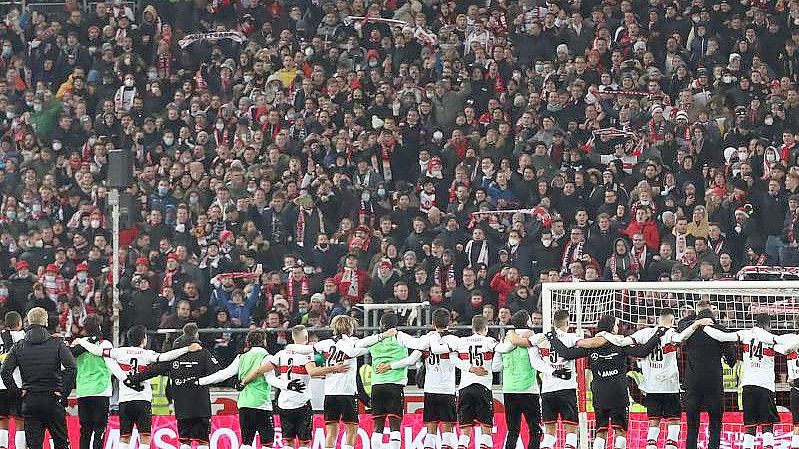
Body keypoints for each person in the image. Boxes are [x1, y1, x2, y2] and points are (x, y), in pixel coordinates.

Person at [547, 314, 665, 449]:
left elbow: (566, 354)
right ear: (612, 327)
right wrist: (658, 334)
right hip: (618, 392)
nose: (617, 327)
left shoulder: (591, 345)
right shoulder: (620, 344)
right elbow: (643, 352)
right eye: (616, 325)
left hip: (599, 393)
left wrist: (552, 338)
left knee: (601, 431)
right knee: (620, 431)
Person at [75, 325, 201, 449]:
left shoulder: (119, 352)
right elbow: (166, 356)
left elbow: (98, 351)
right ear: (144, 339)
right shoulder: (147, 354)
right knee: (144, 437)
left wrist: (81, 341)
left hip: (124, 401)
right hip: (143, 400)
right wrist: (187, 349)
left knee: (124, 437)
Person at [284, 315, 395, 449]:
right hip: (347, 393)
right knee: (351, 430)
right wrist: (383, 336)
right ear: (350, 327)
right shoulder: (352, 342)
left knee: (331, 432)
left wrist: (290, 346)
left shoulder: (326, 343)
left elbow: (305, 349)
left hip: (330, 393)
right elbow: (367, 343)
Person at [242, 325, 350, 449]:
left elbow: (259, 371)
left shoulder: (280, 354)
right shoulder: (307, 354)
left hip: (284, 404)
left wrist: (244, 380)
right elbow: (313, 372)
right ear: (306, 337)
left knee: (288, 442)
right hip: (301, 403)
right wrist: (334, 368)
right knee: (305, 442)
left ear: (293, 337)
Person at [195, 329, 307, 449]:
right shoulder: (267, 357)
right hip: (261, 404)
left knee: (247, 442)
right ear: (264, 341)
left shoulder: (241, 357)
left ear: (248, 343)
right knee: (267, 443)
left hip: (244, 404)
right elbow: (270, 379)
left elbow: (223, 374)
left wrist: (200, 381)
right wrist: (288, 385)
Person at [700, 314, 794, 449]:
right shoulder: (770, 339)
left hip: (748, 386)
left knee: (749, 426)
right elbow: (786, 349)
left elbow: (721, 336)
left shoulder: (745, 334)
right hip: (765, 386)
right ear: (769, 326)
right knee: (767, 426)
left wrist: (703, 327)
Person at [126, 324, 220, 449]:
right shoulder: (204, 354)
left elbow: (154, 370)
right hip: (201, 406)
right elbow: (218, 374)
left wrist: (133, 379)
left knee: (184, 442)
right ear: (196, 334)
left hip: (182, 407)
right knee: (202, 441)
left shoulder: (174, 355)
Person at [0, 308, 75, 449]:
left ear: (28, 322)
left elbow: (5, 371)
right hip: (53, 398)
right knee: (61, 443)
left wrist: (17, 392)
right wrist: (63, 392)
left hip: (30, 400)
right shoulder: (57, 343)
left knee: (34, 445)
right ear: (45, 322)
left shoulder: (19, 346)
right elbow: (71, 367)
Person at [493, 310, 570, 449]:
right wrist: (553, 371)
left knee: (512, 431)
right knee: (535, 430)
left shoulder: (505, 339)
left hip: (509, 390)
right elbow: (536, 362)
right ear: (528, 322)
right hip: (529, 390)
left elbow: (496, 367)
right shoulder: (530, 339)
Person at [677, 300, 737, 449]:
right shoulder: (720, 329)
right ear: (712, 313)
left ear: (698, 313)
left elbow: (680, 325)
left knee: (692, 426)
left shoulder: (690, 329)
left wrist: (695, 319)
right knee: (715, 425)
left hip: (692, 383)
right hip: (713, 384)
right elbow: (732, 359)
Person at [439, 315, 498, 449]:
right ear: (486, 328)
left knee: (465, 430)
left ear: (472, 328)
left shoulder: (461, 342)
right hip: (483, 388)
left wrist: (470, 368)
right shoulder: (489, 341)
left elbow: (452, 359)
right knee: (486, 428)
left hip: (464, 388)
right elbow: (502, 349)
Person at [69, 314, 125, 449]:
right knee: (99, 429)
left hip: (83, 391)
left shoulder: (77, 344)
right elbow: (111, 365)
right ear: (99, 327)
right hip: (101, 391)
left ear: (85, 329)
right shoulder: (104, 343)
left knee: (85, 430)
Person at [0, 312, 25, 449]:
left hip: (0, 384)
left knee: (2, 421)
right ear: (19, 323)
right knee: (20, 421)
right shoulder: (24, 336)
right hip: (18, 384)